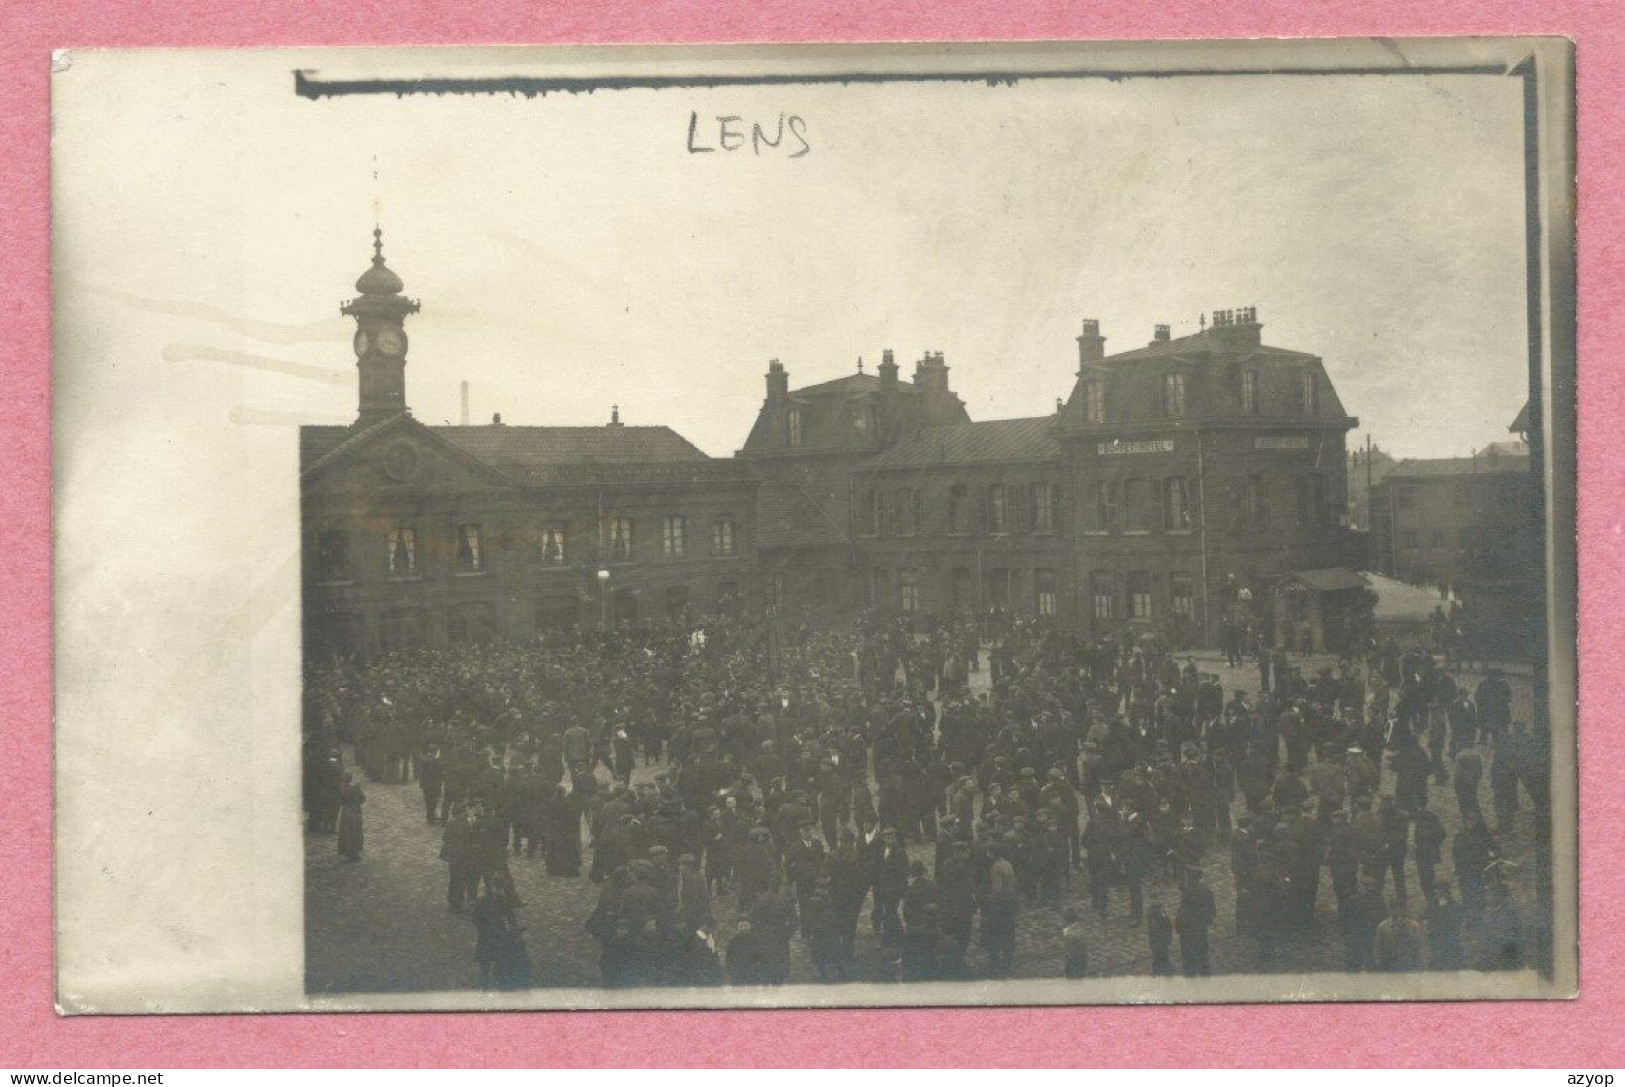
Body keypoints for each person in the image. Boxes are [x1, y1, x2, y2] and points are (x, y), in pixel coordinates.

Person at [1175, 866, 1215, 977]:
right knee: (1202, 958)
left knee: (1190, 960)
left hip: (1189, 930)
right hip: (1199, 929)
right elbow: (1212, 912)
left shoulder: (1190, 891)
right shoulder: (1204, 890)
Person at [1373, 897, 1425, 971]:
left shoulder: (1412, 925)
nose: (1396, 911)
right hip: (1389, 965)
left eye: (1398, 908)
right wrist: (1378, 962)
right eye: (1393, 908)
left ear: (1403, 910)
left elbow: (1419, 945)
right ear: (1389, 909)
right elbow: (1378, 947)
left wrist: (1420, 964)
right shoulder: (1383, 926)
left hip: (1408, 965)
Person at [336, 772, 365, 861]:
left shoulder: (342, 788)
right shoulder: (355, 788)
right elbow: (362, 798)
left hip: (345, 811)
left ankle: (347, 852)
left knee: (346, 832)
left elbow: (339, 799)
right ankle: (354, 853)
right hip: (355, 811)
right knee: (355, 831)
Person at [1146, 900, 1174, 976]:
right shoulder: (1160, 915)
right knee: (1161, 956)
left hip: (1160, 941)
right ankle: (1164, 971)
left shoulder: (1154, 915)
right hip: (1160, 941)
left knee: (1161, 957)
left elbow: (1167, 926)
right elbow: (1168, 926)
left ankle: (1162, 972)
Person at [1061, 907, 1089, 978]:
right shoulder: (1081, 930)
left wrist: (1068, 959)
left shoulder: (1069, 932)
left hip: (1073, 961)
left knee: (1071, 982)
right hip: (1082, 959)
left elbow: (1070, 948)